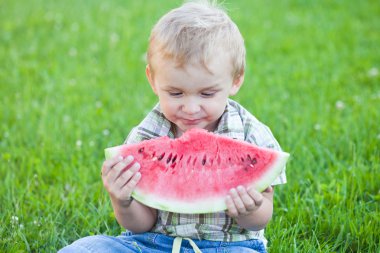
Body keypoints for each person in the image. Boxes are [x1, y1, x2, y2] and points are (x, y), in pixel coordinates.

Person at [59, 1, 286, 252]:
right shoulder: (144, 136)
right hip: (151, 243)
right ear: (153, 80)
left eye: (207, 94)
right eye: (176, 93)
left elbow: (263, 215)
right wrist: (122, 202)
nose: (190, 108)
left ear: (236, 80)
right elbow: (142, 223)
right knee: (85, 248)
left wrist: (250, 210)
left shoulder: (251, 135)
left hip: (227, 246)